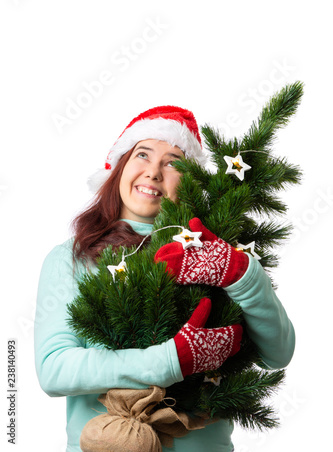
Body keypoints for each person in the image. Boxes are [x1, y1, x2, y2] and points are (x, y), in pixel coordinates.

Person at [34, 106, 295, 452]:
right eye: (142, 154)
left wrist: (242, 274)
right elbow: (54, 370)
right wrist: (172, 360)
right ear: (120, 166)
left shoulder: (214, 251)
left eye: (173, 162)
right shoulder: (72, 257)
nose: (154, 172)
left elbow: (278, 354)